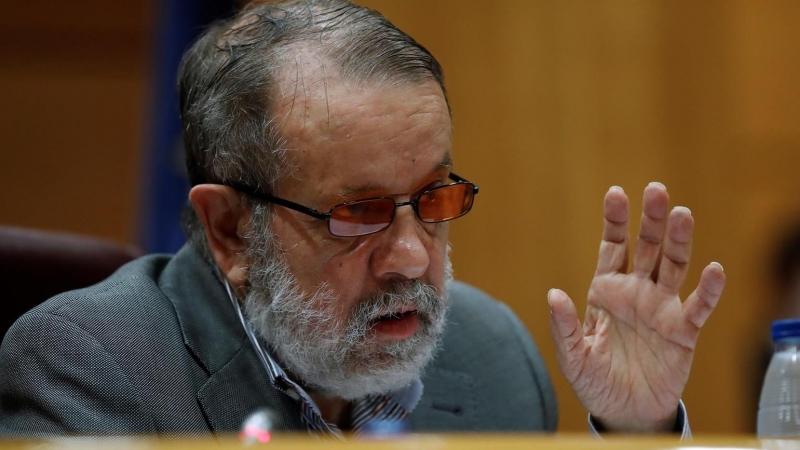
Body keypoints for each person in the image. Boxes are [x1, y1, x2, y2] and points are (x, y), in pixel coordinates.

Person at [0, 0, 726, 437]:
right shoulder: (92, 370)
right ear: (228, 230)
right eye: (360, 213)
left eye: (435, 198)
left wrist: (639, 431)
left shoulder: (491, 355)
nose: (411, 257)